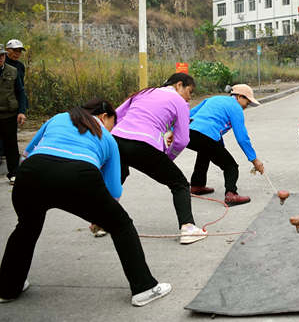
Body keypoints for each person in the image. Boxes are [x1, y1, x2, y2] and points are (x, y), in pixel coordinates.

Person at [0, 99, 171, 306]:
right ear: (103, 117)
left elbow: (27, 153)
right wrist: (102, 218)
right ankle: (144, 288)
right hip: (78, 175)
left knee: (26, 226)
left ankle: (8, 287)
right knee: (122, 225)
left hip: (31, 173)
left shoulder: (58, 118)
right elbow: (114, 190)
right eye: (112, 123)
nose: (112, 129)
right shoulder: (106, 137)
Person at [112, 73, 207, 245]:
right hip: (143, 144)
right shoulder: (180, 102)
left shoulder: (144, 93)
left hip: (116, 140)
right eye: (190, 91)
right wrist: (167, 158)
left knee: (118, 176)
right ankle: (188, 228)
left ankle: (101, 221)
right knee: (179, 184)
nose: (189, 97)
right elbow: (182, 140)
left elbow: (116, 115)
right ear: (179, 85)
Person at [187, 84, 264, 206]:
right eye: (247, 103)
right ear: (239, 97)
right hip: (206, 136)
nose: (246, 106)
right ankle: (231, 194)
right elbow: (242, 138)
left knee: (204, 153)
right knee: (231, 166)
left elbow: (189, 114)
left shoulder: (213, 99)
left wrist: (173, 130)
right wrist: (254, 160)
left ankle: (197, 185)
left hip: (189, 133)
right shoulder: (236, 108)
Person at [0, 47, 27, 185]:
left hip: (9, 114)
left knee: (11, 145)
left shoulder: (13, 70)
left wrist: (22, 111)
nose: (0, 59)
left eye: (2, 56)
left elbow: (20, 93)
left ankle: (13, 174)